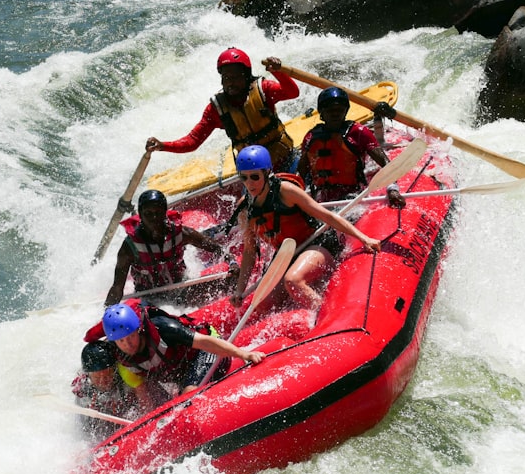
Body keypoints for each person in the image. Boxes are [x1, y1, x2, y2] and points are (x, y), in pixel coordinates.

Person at [230, 144, 383, 312]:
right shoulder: (244, 208)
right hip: (287, 254)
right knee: (261, 305)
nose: (249, 184)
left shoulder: (286, 191)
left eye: (254, 176)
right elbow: (250, 251)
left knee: (293, 281)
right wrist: (239, 289)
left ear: (267, 173)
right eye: (243, 178)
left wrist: (363, 238)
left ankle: (325, 316)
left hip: (317, 242)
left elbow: (327, 216)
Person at [145, 48, 300, 173]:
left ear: (246, 76)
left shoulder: (264, 89)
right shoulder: (216, 109)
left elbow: (293, 92)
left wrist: (278, 72)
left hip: (285, 159)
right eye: (226, 77)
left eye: (235, 77)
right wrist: (163, 145)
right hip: (254, 172)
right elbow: (192, 141)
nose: (230, 83)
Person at [95, 301, 266, 411]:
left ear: (139, 329)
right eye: (121, 341)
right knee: (172, 406)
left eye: (131, 336)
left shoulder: (163, 328)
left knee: (188, 395)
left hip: (207, 352)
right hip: (182, 370)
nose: (128, 344)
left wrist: (243, 353)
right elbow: (144, 394)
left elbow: (205, 342)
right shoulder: (119, 356)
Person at [104, 189, 237, 307]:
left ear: (165, 212)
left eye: (158, 212)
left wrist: (232, 262)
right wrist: (107, 314)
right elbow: (117, 288)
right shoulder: (129, 247)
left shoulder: (182, 234)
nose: (154, 218)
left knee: (229, 283)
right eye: (148, 214)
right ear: (140, 215)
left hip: (180, 288)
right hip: (148, 297)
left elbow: (217, 249)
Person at [297, 86, 404, 205]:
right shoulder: (311, 137)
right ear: (322, 112)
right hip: (322, 198)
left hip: (353, 195)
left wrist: (393, 189)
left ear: (346, 110)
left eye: (339, 110)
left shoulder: (358, 132)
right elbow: (301, 173)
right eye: (330, 110)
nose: (335, 114)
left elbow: (386, 163)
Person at [71, 340, 139, 439]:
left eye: (107, 376)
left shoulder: (127, 379)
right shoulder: (83, 391)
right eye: (97, 378)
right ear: (89, 376)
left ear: (115, 371)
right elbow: (86, 430)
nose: (103, 381)